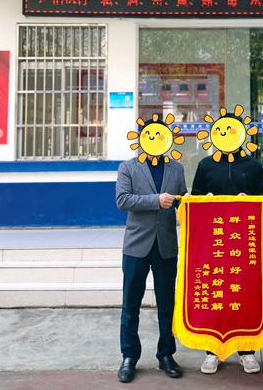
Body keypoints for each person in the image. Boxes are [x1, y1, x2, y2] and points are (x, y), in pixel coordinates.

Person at [191, 144, 263, 375]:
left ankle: (247, 351)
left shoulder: (253, 165)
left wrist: (249, 200)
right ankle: (213, 351)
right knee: (217, 291)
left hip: (244, 240)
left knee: (244, 293)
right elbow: (195, 199)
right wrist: (205, 199)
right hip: (213, 240)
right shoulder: (205, 165)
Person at [115, 154, 186, 383]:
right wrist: (156, 200)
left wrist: (190, 201)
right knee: (131, 304)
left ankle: (166, 355)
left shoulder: (176, 168)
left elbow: (181, 201)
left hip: (166, 245)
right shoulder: (128, 167)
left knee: (167, 305)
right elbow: (122, 200)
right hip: (136, 246)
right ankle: (129, 356)